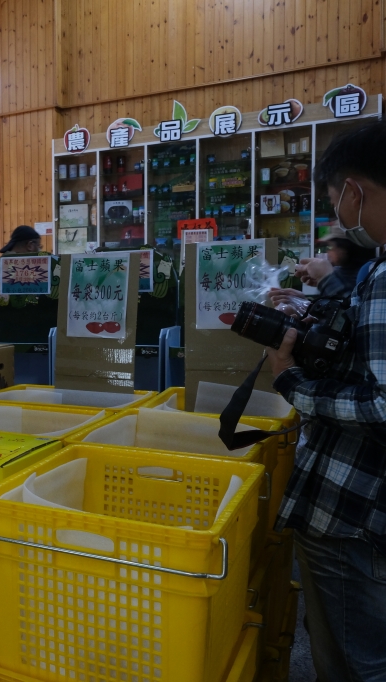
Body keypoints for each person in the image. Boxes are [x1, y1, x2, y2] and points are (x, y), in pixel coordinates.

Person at [268, 120, 386, 682]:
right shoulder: (377, 268)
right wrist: (316, 319)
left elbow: (384, 406)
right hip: (366, 512)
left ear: (357, 191)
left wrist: (292, 382)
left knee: (352, 662)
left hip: (352, 511)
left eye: (337, 199)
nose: (338, 214)